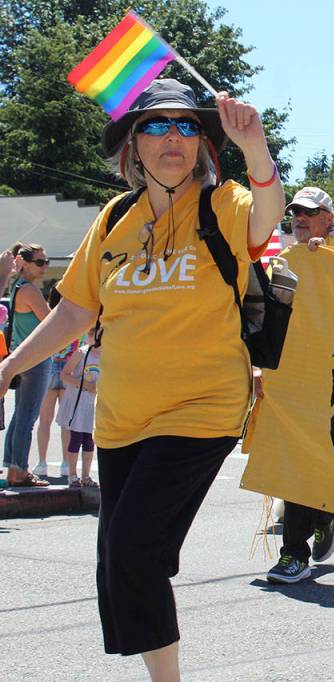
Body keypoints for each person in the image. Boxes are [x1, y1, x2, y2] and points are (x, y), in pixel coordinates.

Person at [0, 78, 283, 681]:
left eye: (186, 125)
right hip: (121, 422)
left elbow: (268, 217)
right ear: (134, 146)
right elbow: (76, 311)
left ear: (204, 144)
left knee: (132, 551)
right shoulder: (114, 219)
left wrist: (254, 146)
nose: (172, 137)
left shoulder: (223, 203)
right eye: (156, 125)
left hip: (200, 411)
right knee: (125, 560)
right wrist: (9, 366)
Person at [265, 186, 334, 584]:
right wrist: (260, 369)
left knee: (319, 462)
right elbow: (269, 316)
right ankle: (294, 552)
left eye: (309, 213)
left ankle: (327, 511)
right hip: (290, 378)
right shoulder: (282, 260)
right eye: (295, 212)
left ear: (329, 219)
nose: (299, 218)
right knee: (294, 463)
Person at [3, 243, 52, 487]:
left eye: (46, 262)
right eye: (40, 262)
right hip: (36, 359)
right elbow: (51, 320)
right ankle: (19, 470)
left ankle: (13, 466)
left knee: (19, 416)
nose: (44, 267)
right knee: (27, 418)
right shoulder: (30, 290)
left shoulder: (16, 287)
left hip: (22, 357)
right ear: (25, 263)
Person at [35, 288, 75, 478]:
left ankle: (42, 462)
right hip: (69, 369)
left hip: (49, 367)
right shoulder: (75, 319)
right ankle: (66, 463)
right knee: (66, 421)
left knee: (45, 420)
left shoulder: (47, 319)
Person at [57, 326, 99, 488]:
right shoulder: (82, 353)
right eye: (90, 333)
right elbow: (64, 375)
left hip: (93, 404)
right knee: (76, 438)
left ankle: (86, 476)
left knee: (90, 440)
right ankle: (72, 475)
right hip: (78, 402)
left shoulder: (108, 355)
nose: (91, 336)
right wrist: (86, 385)